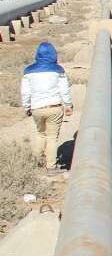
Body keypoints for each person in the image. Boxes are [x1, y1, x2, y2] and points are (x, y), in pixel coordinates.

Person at [20, 42, 73, 173]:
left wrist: (27, 107)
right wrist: (68, 105)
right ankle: (51, 166)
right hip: (54, 107)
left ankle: (36, 162)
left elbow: (25, 92)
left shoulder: (28, 71)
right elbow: (64, 90)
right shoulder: (58, 70)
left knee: (40, 134)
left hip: (37, 108)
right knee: (52, 137)